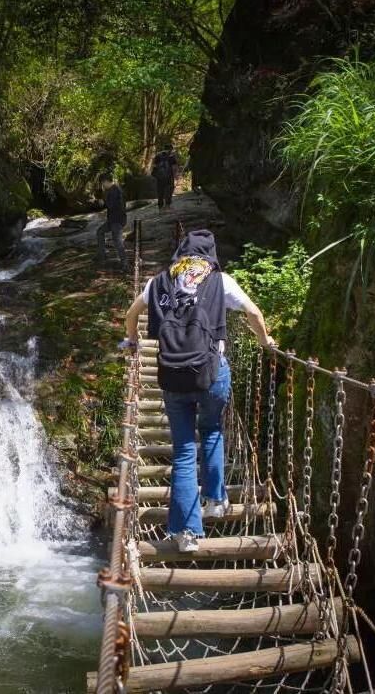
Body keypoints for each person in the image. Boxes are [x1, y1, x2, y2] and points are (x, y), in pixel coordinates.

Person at [119, 230, 274, 553]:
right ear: (210, 255)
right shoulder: (220, 281)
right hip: (211, 374)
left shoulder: (158, 281)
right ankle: (216, 500)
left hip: (172, 377)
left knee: (185, 451)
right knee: (213, 429)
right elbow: (254, 314)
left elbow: (131, 315)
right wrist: (265, 342)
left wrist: (133, 342)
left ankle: (186, 533)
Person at [96, 173, 128, 270]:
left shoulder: (114, 190)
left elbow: (111, 205)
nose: (103, 186)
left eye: (102, 183)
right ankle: (102, 254)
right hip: (113, 219)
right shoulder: (115, 189)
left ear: (105, 181)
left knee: (117, 241)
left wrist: (103, 203)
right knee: (100, 232)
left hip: (117, 221)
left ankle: (124, 263)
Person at [151, 143, 179, 211]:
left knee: (160, 191)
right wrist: (176, 175)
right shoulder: (171, 156)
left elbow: (154, 166)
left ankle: (160, 207)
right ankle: (167, 206)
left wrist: (155, 174)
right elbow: (174, 167)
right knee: (169, 190)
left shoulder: (158, 155)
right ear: (170, 149)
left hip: (159, 177)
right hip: (168, 176)